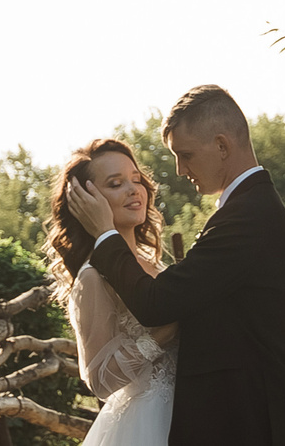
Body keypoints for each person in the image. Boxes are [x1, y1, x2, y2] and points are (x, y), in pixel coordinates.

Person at [63, 85, 285, 446]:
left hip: (256, 421)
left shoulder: (247, 216)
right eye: (117, 183)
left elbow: (158, 303)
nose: (179, 170)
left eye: (186, 155)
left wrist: (105, 234)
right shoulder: (246, 209)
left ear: (222, 146)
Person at [50, 138, 179, 446]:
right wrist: (160, 336)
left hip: (189, 412)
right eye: (116, 183)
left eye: (136, 180)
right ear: (85, 200)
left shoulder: (153, 263)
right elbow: (99, 380)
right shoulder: (92, 277)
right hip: (147, 425)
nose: (134, 189)